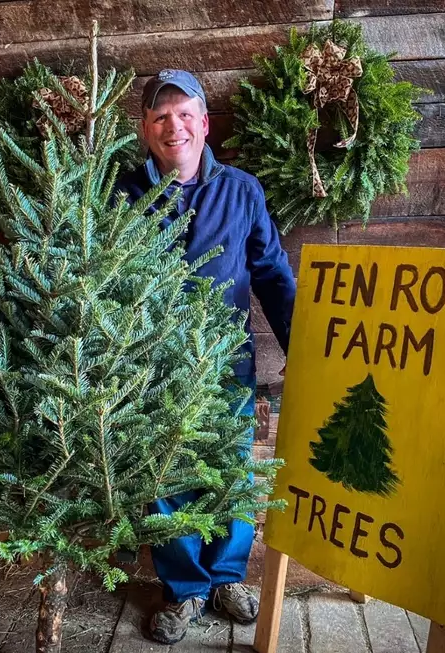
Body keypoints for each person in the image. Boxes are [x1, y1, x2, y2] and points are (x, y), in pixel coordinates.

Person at [115, 69, 296, 644]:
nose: (175, 126)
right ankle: (184, 590)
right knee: (166, 474)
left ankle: (225, 577)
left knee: (234, 471)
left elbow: (271, 274)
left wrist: (303, 346)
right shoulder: (123, 194)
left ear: (204, 124)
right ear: (146, 129)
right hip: (155, 368)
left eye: (185, 113)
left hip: (228, 361)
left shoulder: (242, 190)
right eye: (161, 116)